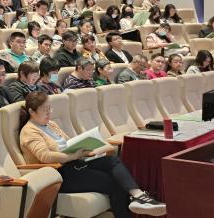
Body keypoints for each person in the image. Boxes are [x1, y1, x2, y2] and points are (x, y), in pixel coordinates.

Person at [19, 92, 166, 218]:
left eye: (49, 108)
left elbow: (67, 143)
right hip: (60, 174)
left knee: (112, 160)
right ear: (32, 111)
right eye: (45, 110)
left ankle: (139, 196)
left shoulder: (50, 124)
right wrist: (72, 156)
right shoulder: (29, 131)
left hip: (75, 164)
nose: (49, 112)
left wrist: (82, 148)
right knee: (114, 183)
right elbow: (45, 156)